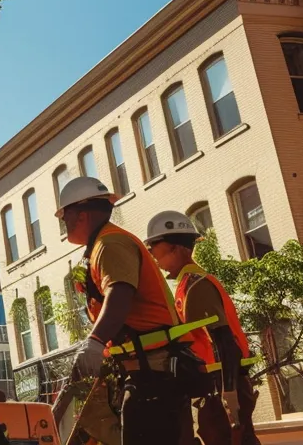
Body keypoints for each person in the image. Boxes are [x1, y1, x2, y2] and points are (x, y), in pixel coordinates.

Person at [57, 177, 208, 445]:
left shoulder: (110, 244)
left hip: (153, 370)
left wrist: (95, 341)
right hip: (149, 368)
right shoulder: (101, 246)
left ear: (81, 214)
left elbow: (120, 292)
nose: (63, 222)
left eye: (64, 215)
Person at [144, 211, 262, 445]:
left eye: (153, 248)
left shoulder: (197, 285)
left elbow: (224, 338)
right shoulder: (186, 284)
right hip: (216, 385)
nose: (152, 256)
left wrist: (229, 397)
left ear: (175, 247)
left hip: (225, 385)